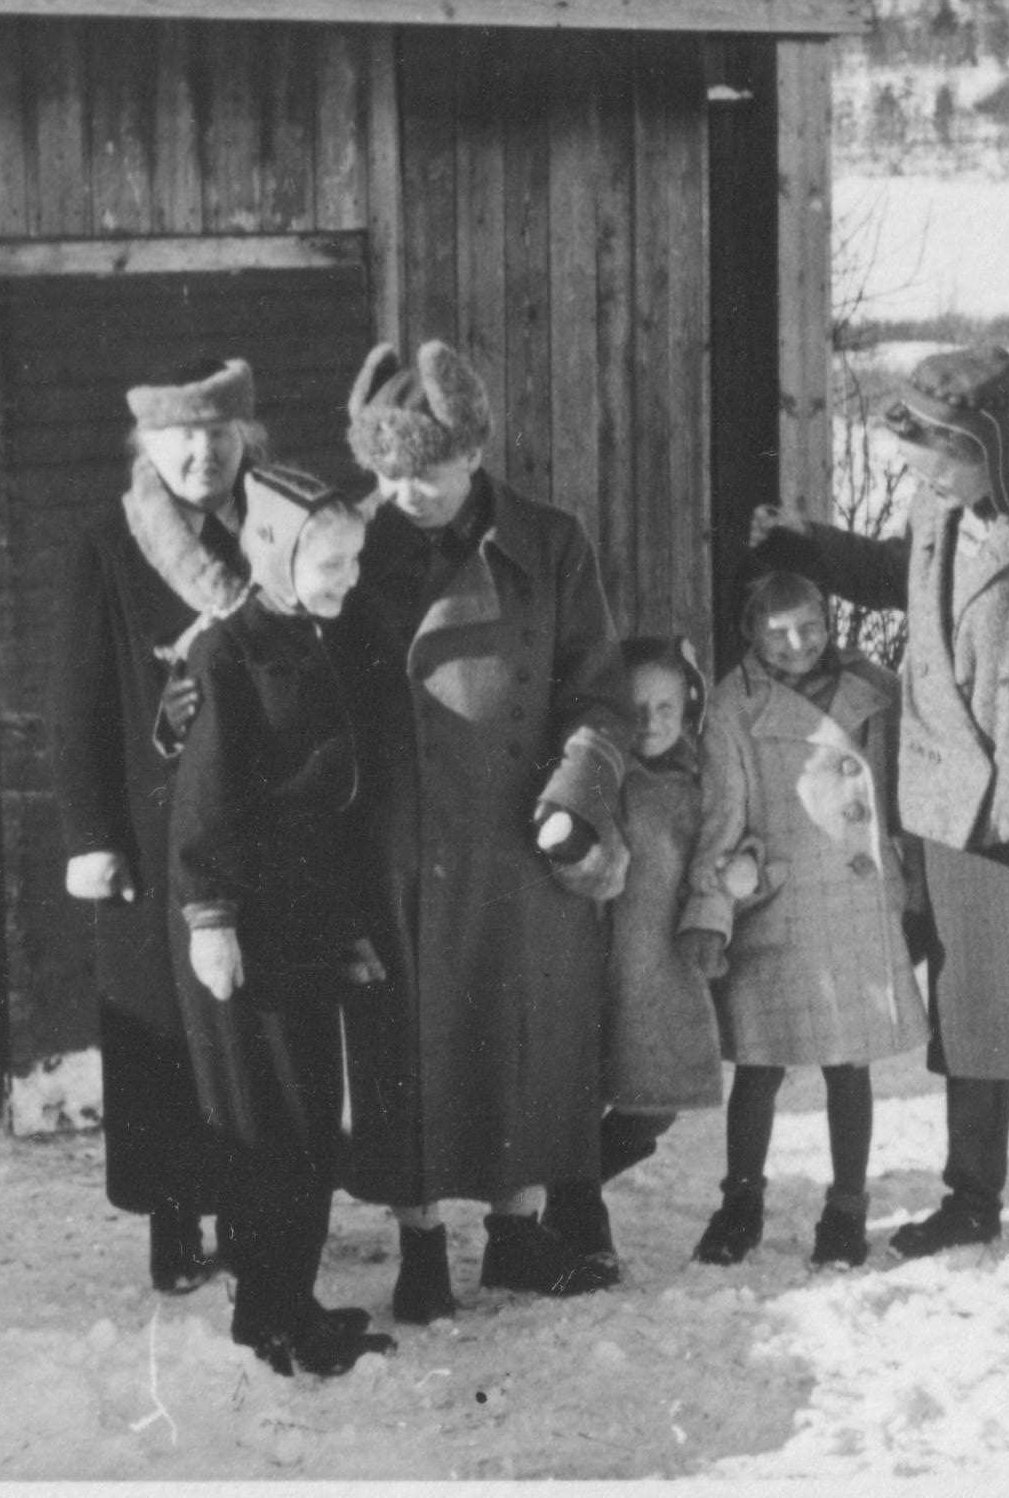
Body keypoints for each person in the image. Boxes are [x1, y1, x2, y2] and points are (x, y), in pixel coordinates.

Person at [751, 345, 1009, 1285]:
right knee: (973, 1012)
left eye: (933, 463)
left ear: (980, 442)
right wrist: (806, 545)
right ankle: (971, 1199)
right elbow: (900, 573)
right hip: (955, 798)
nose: (922, 480)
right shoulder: (938, 505)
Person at [337, 341, 638, 1321]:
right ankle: (420, 1248)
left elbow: (599, 694)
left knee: (521, 1041)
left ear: (472, 453)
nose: (404, 493)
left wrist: (574, 797)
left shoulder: (550, 543)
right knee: (403, 1047)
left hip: (519, 840)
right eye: (387, 472)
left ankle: (515, 1235)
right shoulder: (351, 543)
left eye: (424, 471)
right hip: (396, 843)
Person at [163, 464, 395, 1377]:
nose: (348, 579)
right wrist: (209, 917)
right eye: (330, 563)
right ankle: (268, 1322)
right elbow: (202, 798)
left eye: (355, 561)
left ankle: (291, 1304)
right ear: (273, 553)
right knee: (271, 1126)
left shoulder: (321, 635)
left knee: (309, 1123)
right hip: (247, 928)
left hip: (306, 919)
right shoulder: (228, 653)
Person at [51, 356, 261, 1296]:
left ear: (245, 438)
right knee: (161, 1031)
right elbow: (78, 700)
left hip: (258, 825)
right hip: (152, 829)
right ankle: (174, 1225)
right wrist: (91, 833)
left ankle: (253, 1217)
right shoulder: (111, 543)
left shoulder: (277, 531)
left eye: (218, 435)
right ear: (148, 445)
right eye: (181, 438)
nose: (201, 454)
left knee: (248, 1025)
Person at [682, 573, 930, 1268]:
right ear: (750, 633)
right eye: (778, 631)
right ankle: (740, 1205)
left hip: (856, 900)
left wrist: (915, 884)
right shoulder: (733, 707)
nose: (798, 642)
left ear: (828, 617)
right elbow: (722, 818)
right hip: (779, 903)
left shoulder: (874, 689)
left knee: (848, 1066)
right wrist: (711, 911)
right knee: (760, 1066)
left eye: (811, 624)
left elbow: (905, 792)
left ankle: (847, 1209)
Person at [539, 636, 728, 1267]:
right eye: (635, 707)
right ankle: (579, 1214)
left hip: (662, 965)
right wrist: (590, 860)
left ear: (689, 706)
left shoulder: (699, 775)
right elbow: (574, 846)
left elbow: (722, 845)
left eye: (666, 707)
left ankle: (571, 1189)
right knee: (587, 1088)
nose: (650, 722)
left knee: (654, 1105)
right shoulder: (604, 772)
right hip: (599, 954)